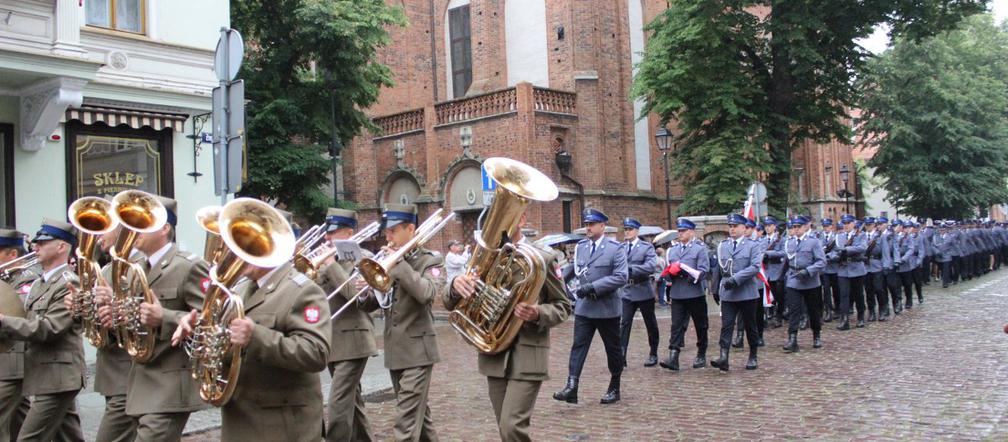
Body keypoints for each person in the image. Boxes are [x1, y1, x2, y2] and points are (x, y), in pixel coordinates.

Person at [173, 226, 332, 441]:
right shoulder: (238, 290)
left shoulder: (302, 290)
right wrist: (197, 332)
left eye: (244, 247)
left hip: (281, 425)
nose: (234, 254)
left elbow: (316, 353)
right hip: (238, 416)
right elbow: (221, 342)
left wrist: (255, 336)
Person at [444, 211, 571, 441]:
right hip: (494, 355)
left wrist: (537, 313)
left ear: (522, 219)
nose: (497, 225)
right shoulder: (486, 256)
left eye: (503, 216)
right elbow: (450, 301)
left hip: (528, 352)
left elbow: (563, 306)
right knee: (504, 429)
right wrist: (455, 284)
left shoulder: (543, 257)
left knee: (512, 427)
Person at [105, 196, 209, 442]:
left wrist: (165, 317)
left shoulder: (188, 266)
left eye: (145, 223)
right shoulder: (136, 268)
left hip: (171, 384)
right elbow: (132, 322)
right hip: (139, 381)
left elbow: (210, 321)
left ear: (165, 228)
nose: (134, 229)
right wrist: (114, 320)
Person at [358, 204, 445, 441]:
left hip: (419, 352)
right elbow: (372, 305)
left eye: (393, 231)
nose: (388, 238)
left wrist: (399, 265)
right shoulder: (389, 262)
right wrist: (365, 292)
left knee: (406, 422)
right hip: (395, 353)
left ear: (410, 228)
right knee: (420, 419)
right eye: (386, 233)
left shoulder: (430, 260)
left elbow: (427, 293)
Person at [0, 219, 85, 441]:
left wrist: (2, 321)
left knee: (29, 438)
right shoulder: (40, 283)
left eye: (43, 242)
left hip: (59, 375)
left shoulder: (68, 283)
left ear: (61, 247)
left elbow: (49, 328)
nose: (35, 246)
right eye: (36, 242)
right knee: (68, 436)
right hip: (44, 372)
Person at [64, 220, 143, 442]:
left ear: (122, 229)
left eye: (104, 228)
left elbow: (145, 318)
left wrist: (116, 305)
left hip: (130, 373)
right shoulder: (107, 269)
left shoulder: (139, 266)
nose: (98, 236)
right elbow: (97, 321)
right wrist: (80, 307)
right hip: (112, 372)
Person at [316, 208, 378, 441]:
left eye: (333, 233)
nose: (327, 238)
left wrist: (331, 266)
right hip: (331, 340)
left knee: (338, 404)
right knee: (353, 402)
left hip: (354, 341)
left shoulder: (363, 258)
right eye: (327, 233)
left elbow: (357, 297)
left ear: (349, 232)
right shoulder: (324, 261)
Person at [554, 209, 627, 404]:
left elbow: (621, 277)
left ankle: (615, 385)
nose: (588, 228)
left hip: (607, 308)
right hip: (585, 308)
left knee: (612, 349)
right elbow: (572, 270)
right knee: (578, 346)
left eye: (591, 224)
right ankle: (572, 386)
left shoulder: (615, 248)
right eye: (586, 224)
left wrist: (593, 287)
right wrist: (553, 278)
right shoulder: (581, 247)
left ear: (602, 226)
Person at [710, 213, 762, 371]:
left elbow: (754, 267)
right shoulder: (722, 246)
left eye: (735, 226)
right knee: (726, 325)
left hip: (746, 291)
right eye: (730, 226)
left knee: (750, 325)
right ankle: (723, 356)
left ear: (743, 228)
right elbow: (718, 268)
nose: (732, 229)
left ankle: (753, 355)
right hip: (728, 292)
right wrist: (715, 288)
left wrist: (736, 279)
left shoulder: (752, 245)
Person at [0, 229, 37, 441]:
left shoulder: (26, 281)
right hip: (7, 362)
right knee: (19, 424)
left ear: (12, 254)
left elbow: (18, 315)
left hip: (12, 361)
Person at [658, 218, 709, 371]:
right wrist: (670, 274)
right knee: (676, 326)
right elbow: (667, 272)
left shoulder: (699, 249)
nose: (680, 234)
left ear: (691, 232)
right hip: (678, 293)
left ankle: (701, 352)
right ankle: (674, 356)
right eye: (679, 231)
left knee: (701, 325)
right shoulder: (672, 250)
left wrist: (687, 272)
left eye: (683, 231)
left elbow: (704, 271)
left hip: (694, 293)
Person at [617, 218, 660, 367]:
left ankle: (653, 352)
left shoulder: (646, 247)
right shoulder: (620, 248)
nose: (627, 232)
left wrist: (631, 269)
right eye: (625, 229)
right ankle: (622, 354)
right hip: (627, 290)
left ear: (636, 231)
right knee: (624, 323)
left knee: (650, 323)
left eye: (630, 229)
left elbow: (650, 267)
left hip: (642, 289)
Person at [781, 216, 827, 352]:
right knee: (794, 310)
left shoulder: (813, 242)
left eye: (798, 227)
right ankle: (792, 339)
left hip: (810, 280)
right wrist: (781, 277)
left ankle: (816, 335)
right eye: (794, 227)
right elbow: (786, 261)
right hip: (793, 279)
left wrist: (808, 271)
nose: (796, 229)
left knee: (813, 310)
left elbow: (821, 261)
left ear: (805, 227)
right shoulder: (789, 242)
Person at [891, 220, 917, 310]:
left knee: (907, 284)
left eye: (897, 226)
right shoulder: (891, 236)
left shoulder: (907, 236)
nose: (895, 228)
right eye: (894, 226)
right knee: (896, 285)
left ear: (901, 227)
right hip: (895, 264)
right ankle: (898, 302)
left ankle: (909, 300)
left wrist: (903, 259)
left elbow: (911, 249)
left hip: (905, 264)